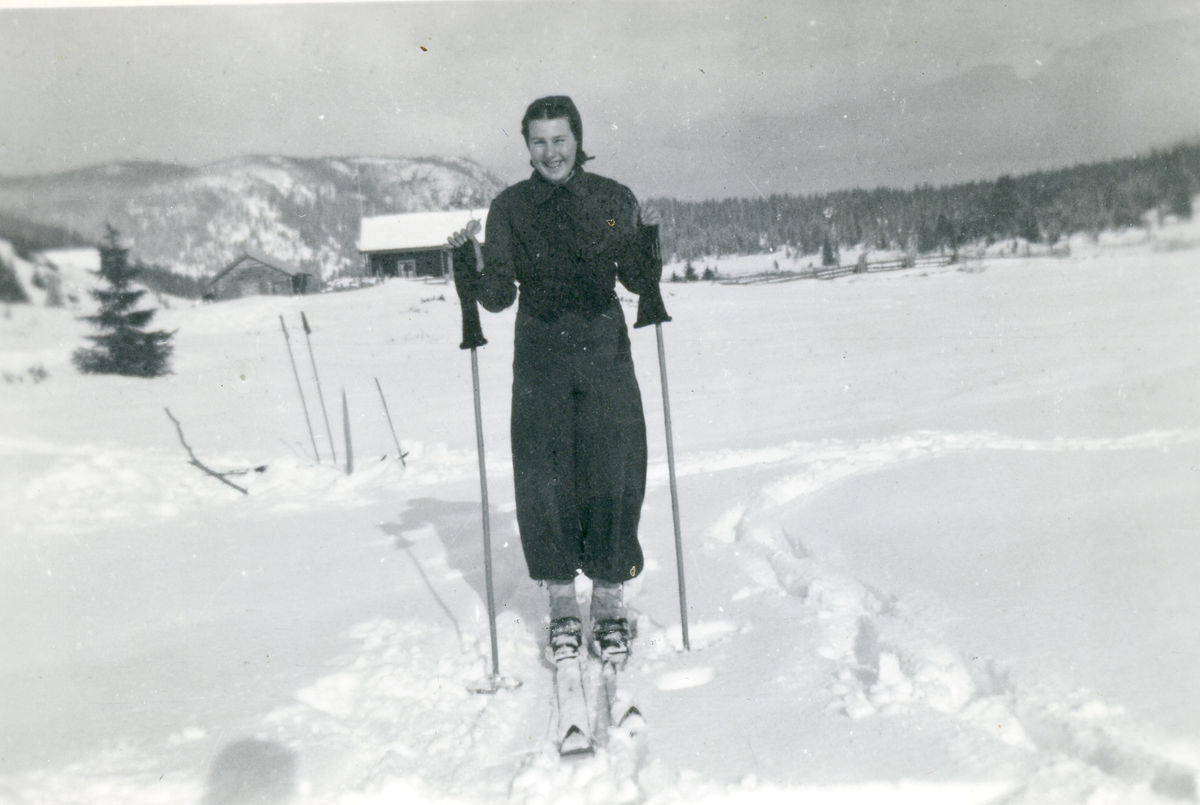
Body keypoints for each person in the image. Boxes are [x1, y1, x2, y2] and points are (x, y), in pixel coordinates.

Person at [448, 95, 669, 667]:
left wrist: (647, 239)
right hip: (541, 351)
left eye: (560, 139)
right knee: (544, 474)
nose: (551, 152)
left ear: (578, 139)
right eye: (539, 141)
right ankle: (563, 605)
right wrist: (470, 263)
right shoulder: (510, 208)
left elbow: (639, 280)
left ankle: (610, 599)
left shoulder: (612, 198)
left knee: (613, 467)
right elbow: (497, 298)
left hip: (603, 346)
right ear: (527, 145)